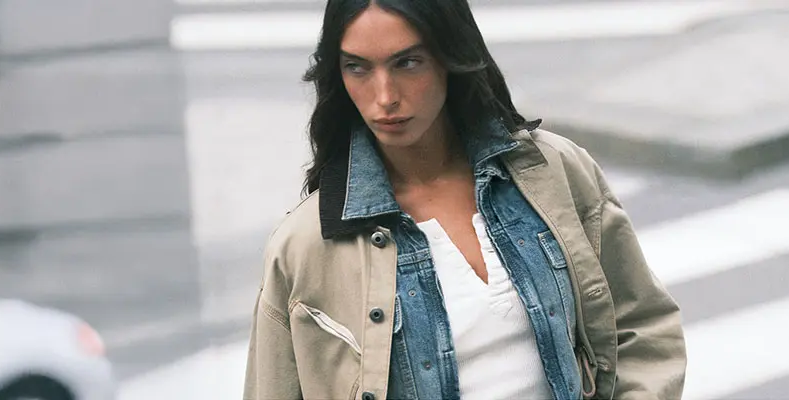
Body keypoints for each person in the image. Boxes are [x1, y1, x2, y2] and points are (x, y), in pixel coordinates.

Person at [242, 1, 686, 399]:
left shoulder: (553, 172)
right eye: (357, 68)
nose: (385, 97)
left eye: (408, 63)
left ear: (449, 57)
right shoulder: (305, 247)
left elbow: (642, 327)